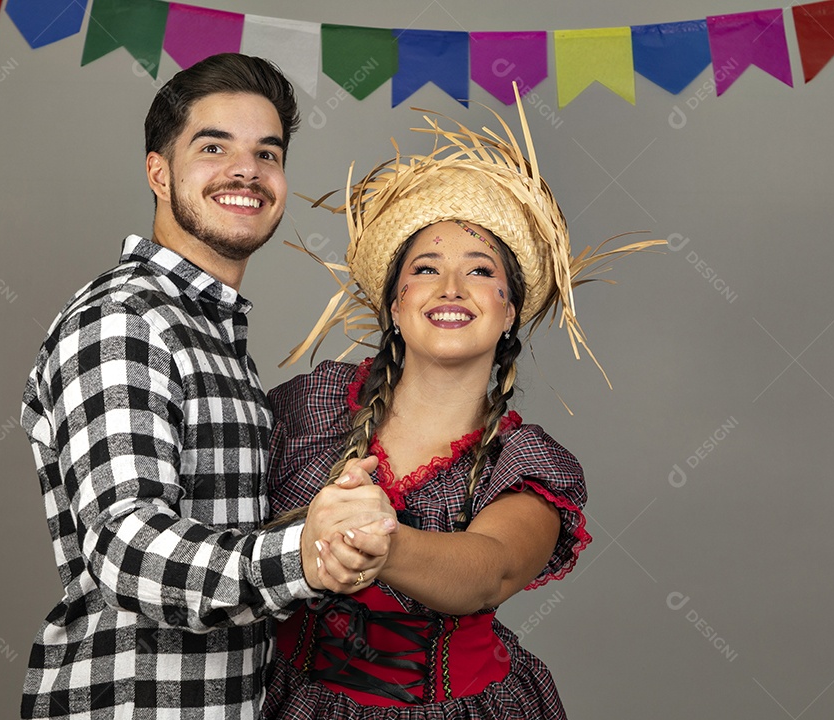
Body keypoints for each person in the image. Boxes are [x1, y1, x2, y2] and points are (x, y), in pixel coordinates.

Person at [262, 89, 663, 717]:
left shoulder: (525, 462)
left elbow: (491, 569)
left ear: (509, 311)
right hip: (291, 701)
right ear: (394, 305)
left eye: (480, 271)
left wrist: (381, 542)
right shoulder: (311, 405)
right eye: (425, 269)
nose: (451, 287)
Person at [19, 53, 396, 720]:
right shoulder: (126, 321)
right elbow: (127, 545)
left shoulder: (208, 334)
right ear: (158, 172)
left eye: (267, 152)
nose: (246, 170)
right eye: (213, 146)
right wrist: (307, 552)